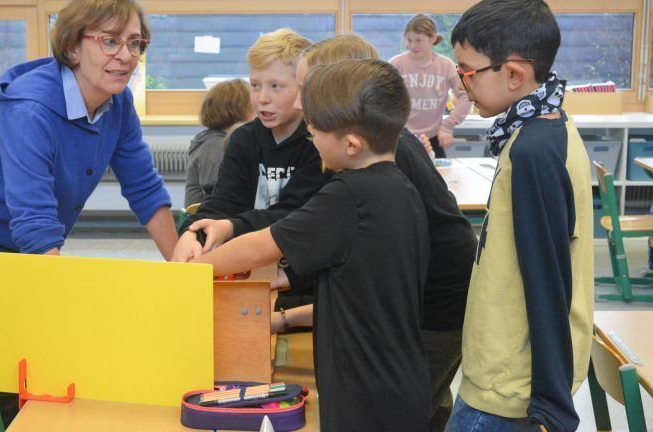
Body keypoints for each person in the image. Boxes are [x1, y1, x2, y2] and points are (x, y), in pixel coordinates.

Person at [192, 59, 431, 431]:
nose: (310, 136)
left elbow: (261, 246)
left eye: (315, 130)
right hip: (401, 381)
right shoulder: (401, 189)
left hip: (364, 393)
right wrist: (284, 317)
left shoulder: (348, 195)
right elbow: (363, 298)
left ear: (351, 144)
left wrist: (192, 271)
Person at [0, 0, 178, 341]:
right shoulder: (29, 111)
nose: (126, 55)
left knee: (43, 352)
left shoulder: (118, 102)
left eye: (135, 43)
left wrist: (184, 273)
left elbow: (144, 188)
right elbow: (34, 221)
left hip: (27, 247)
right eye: (110, 41)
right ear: (72, 47)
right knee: (9, 367)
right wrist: (63, 305)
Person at [283, 33, 476, 431]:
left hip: (436, 308)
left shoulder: (380, 159)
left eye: (306, 90)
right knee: (423, 401)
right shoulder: (372, 147)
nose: (299, 104)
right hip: (421, 303)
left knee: (399, 409)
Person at [445, 0, 594, 432]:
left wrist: (550, 406)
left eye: (467, 72)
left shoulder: (534, 150)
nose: (461, 84)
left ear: (513, 74)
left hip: (509, 386)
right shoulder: (542, 127)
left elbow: (548, 278)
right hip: (505, 370)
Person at [171, 28, 328, 262]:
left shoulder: (319, 141)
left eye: (276, 86)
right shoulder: (243, 139)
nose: (262, 98)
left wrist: (231, 227)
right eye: (255, 85)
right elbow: (222, 202)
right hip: (249, 263)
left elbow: (293, 213)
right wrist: (191, 232)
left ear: (302, 88)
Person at [389, 13, 471, 158]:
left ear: (432, 39)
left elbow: (466, 95)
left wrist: (448, 125)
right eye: (409, 40)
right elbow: (382, 98)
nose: (412, 45)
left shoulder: (446, 66)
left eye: (418, 40)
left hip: (433, 137)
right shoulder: (396, 64)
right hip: (401, 137)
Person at [184, 78, 254, 207]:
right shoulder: (214, 147)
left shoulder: (218, 140)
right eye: (254, 106)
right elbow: (219, 198)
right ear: (237, 109)